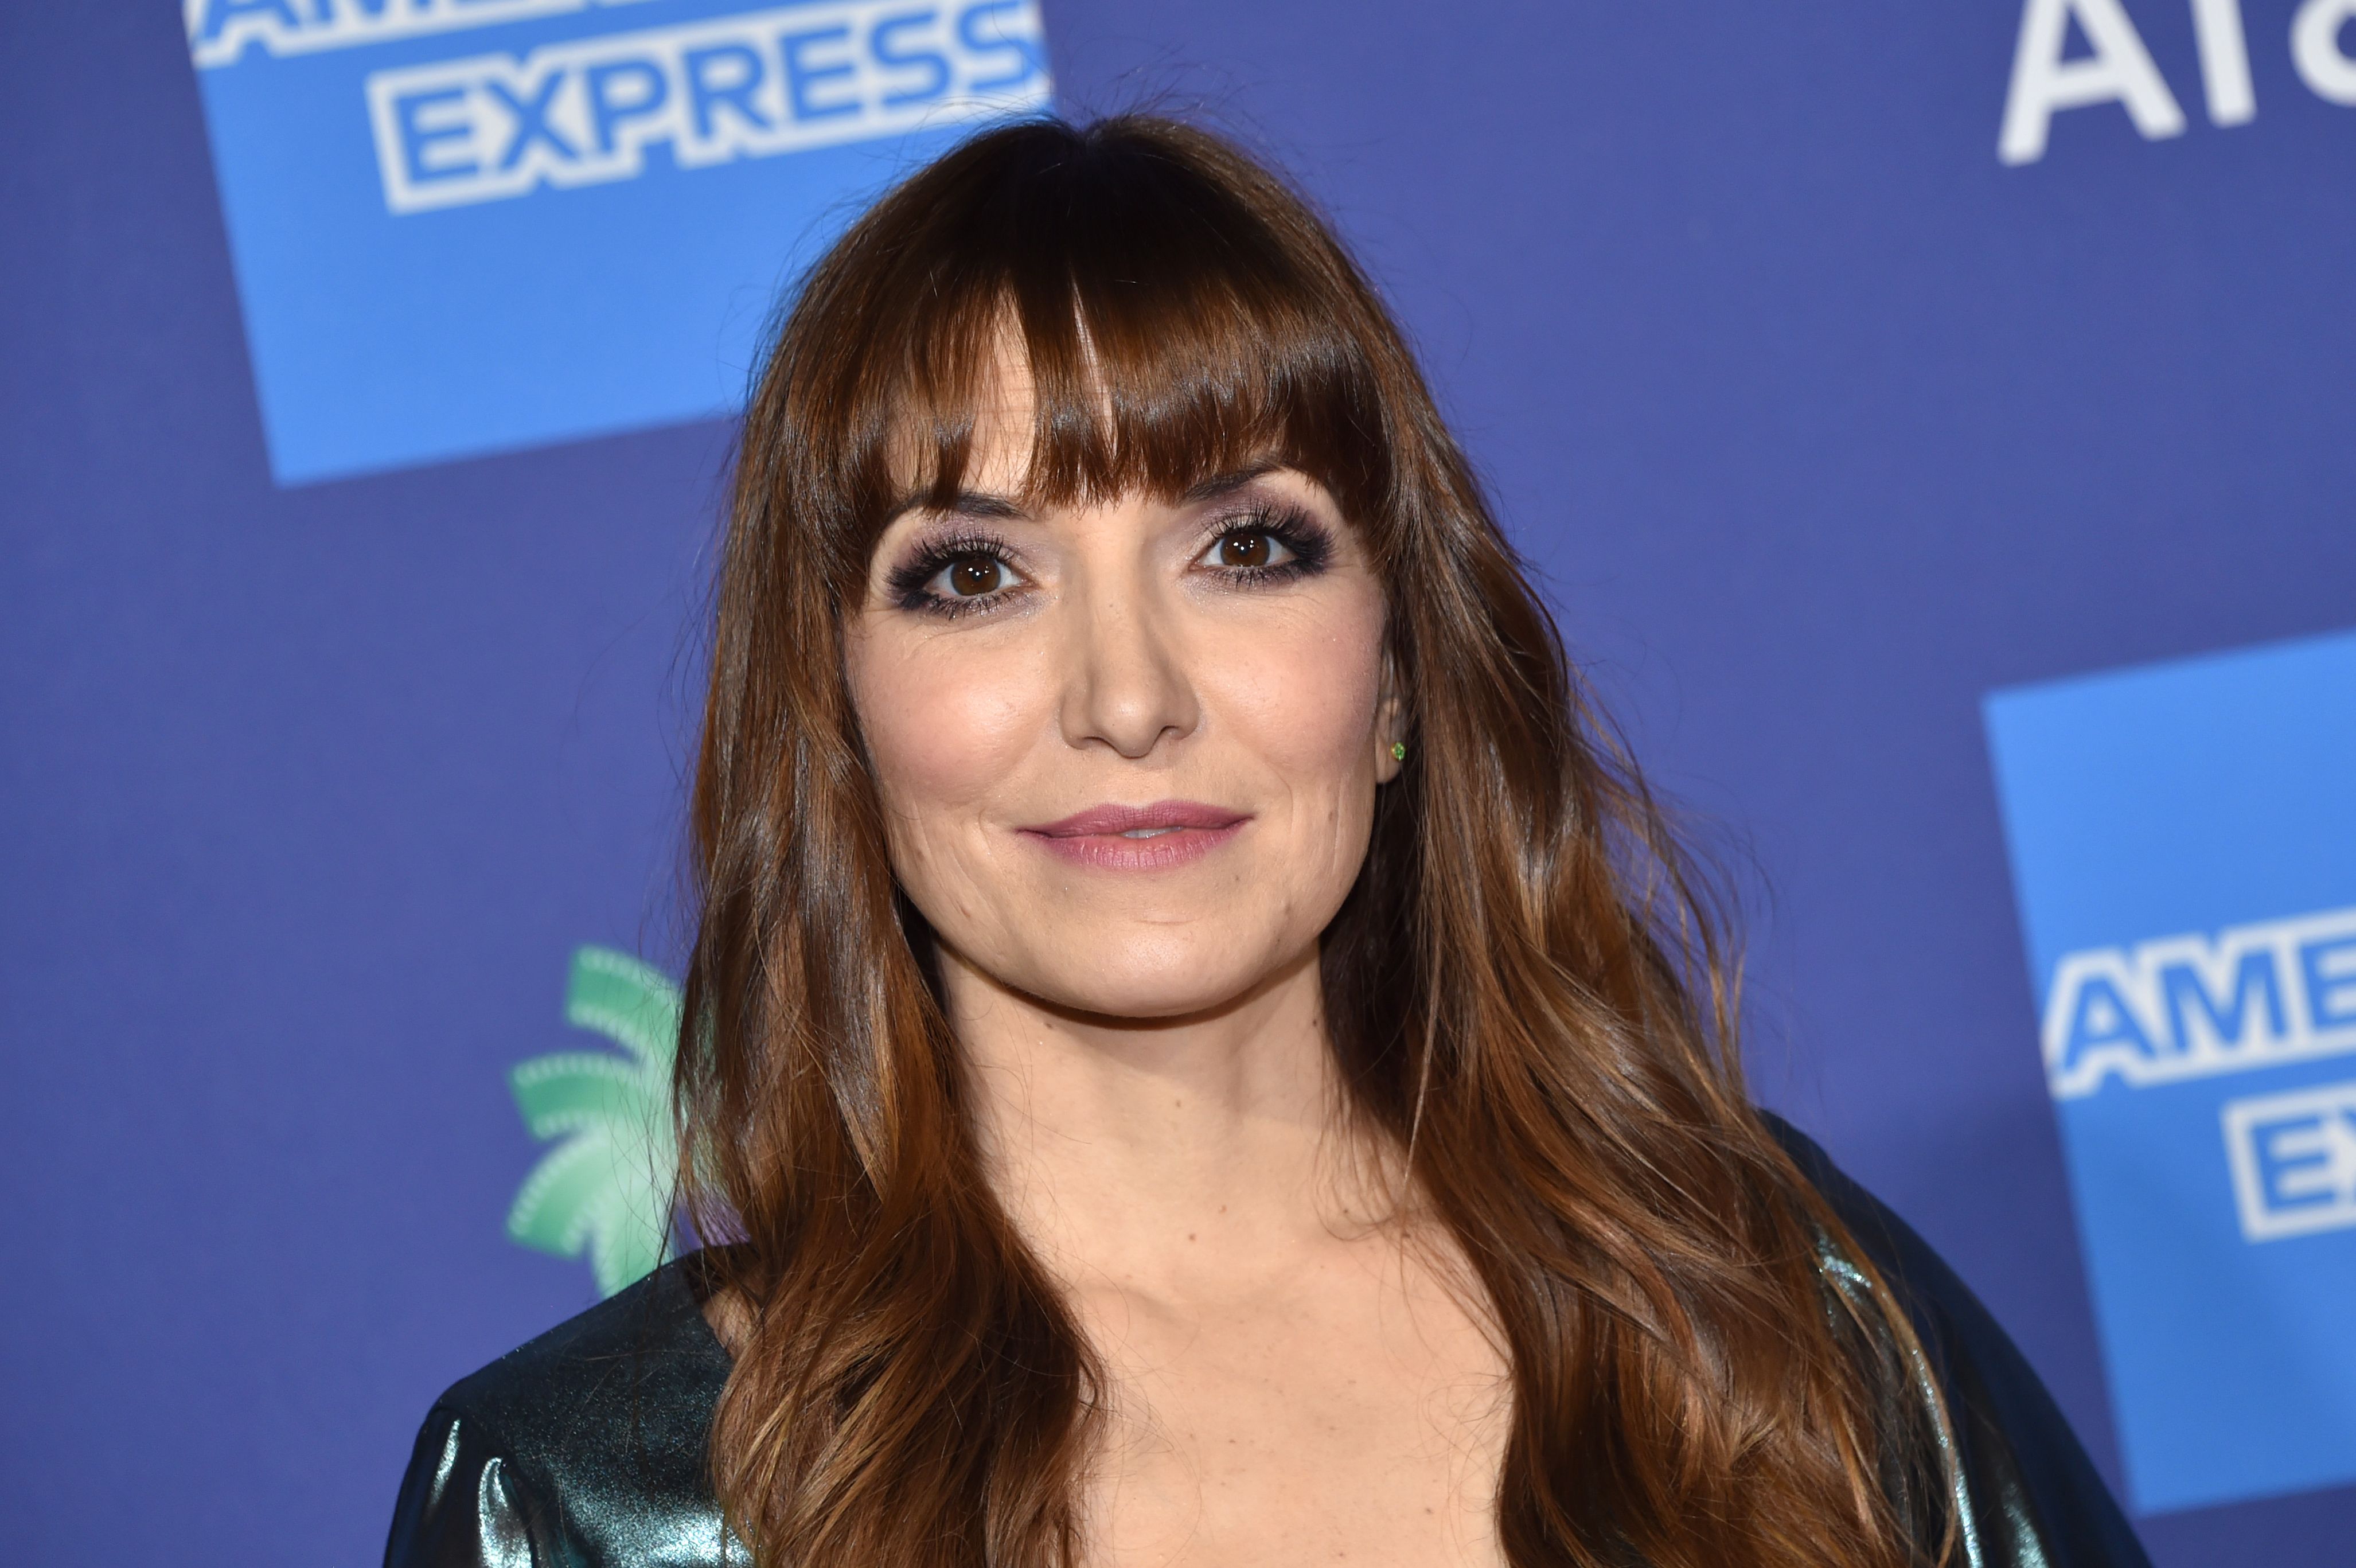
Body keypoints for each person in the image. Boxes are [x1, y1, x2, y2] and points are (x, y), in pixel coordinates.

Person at [384, 115, 2150, 1568]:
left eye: (1245, 549)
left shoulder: (1772, 1308)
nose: (1127, 698)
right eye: (973, 575)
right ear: (835, 720)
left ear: (1393, 675)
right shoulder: (583, 1509)